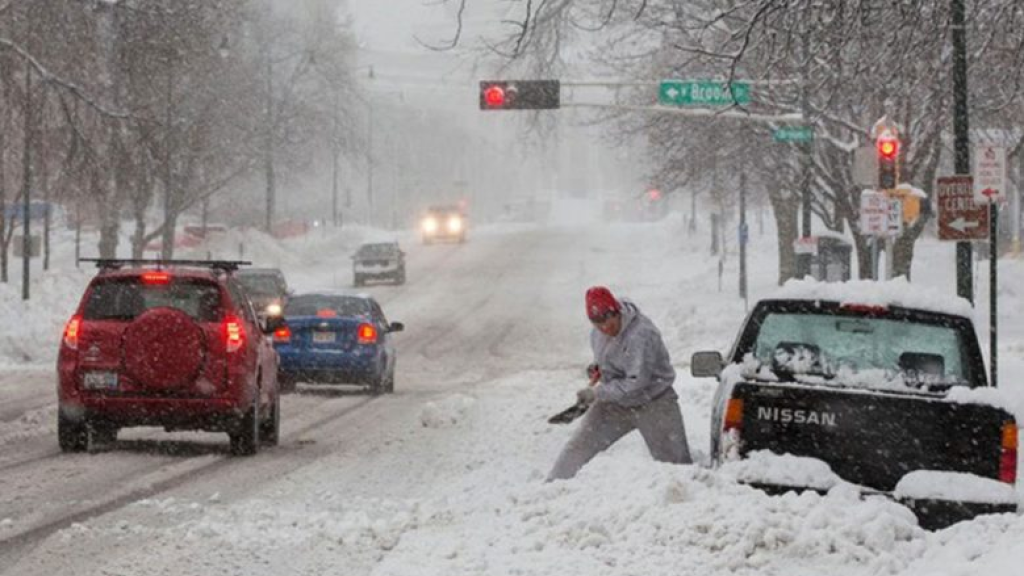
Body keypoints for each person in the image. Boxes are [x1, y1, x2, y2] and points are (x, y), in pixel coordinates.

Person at [547, 286, 692, 481]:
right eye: (598, 323)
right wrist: (598, 369)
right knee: (578, 447)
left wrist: (596, 394)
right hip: (615, 404)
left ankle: (687, 504)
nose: (605, 328)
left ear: (616, 311)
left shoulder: (641, 334)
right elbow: (607, 361)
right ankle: (550, 490)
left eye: (608, 320)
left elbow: (635, 383)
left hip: (655, 403)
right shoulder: (597, 334)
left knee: (677, 469)